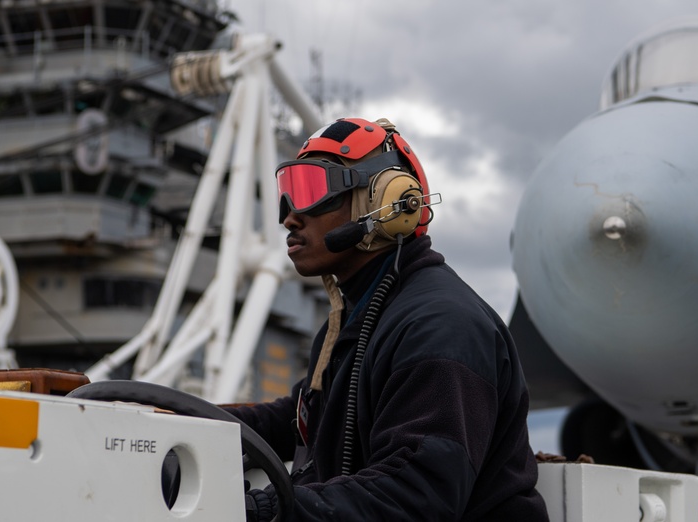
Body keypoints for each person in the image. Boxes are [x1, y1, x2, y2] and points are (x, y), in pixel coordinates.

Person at [230, 117, 549, 521]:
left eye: (312, 190)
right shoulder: (360, 319)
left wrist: (260, 511)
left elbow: (416, 494)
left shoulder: (441, 328)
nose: (289, 217)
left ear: (388, 201)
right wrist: (184, 421)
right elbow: (298, 419)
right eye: (287, 194)